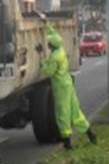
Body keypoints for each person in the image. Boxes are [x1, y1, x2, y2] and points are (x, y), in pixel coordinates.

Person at [38, 22, 97, 150]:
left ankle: (67, 142)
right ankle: (90, 133)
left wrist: (41, 58)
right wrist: (46, 24)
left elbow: (47, 71)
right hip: (68, 83)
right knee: (75, 110)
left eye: (48, 43)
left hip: (60, 87)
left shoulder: (54, 57)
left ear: (51, 45)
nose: (47, 44)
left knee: (62, 113)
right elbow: (54, 35)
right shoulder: (61, 50)